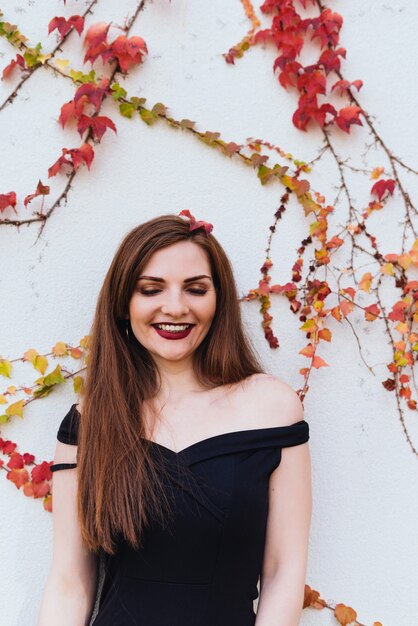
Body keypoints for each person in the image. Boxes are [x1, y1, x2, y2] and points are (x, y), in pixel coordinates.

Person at [37, 212, 312, 626]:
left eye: (195, 289)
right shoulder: (89, 422)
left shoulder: (272, 409)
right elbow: (68, 584)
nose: (176, 307)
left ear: (218, 299)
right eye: (151, 289)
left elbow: (283, 571)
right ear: (123, 304)